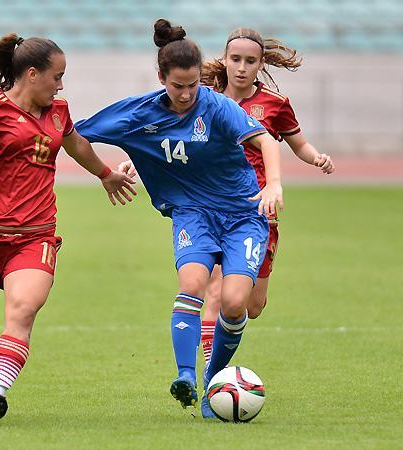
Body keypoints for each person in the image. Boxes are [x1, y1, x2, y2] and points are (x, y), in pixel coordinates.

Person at [0, 33, 136, 426]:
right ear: (33, 74)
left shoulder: (58, 112)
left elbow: (77, 145)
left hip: (34, 237)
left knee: (23, 310)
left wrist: (106, 174)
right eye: (57, 77)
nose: (61, 86)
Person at [75, 19, 283, 419]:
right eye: (177, 86)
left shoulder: (216, 105)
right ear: (161, 78)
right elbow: (74, 134)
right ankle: (186, 377)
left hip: (243, 214)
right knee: (191, 285)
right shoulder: (137, 112)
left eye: (192, 85)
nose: (187, 94)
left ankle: (213, 379)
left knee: (235, 304)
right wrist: (105, 173)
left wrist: (273, 184)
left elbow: (266, 141)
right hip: (192, 215)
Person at [196, 28, 335, 364]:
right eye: (235, 59)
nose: (242, 67)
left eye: (250, 61)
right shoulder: (206, 99)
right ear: (225, 60)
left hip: (260, 211)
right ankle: (212, 371)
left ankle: (221, 347)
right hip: (216, 207)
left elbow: (299, 144)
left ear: (261, 64)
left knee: (253, 305)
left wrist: (316, 157)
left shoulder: (275, 104)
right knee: (216, 290)